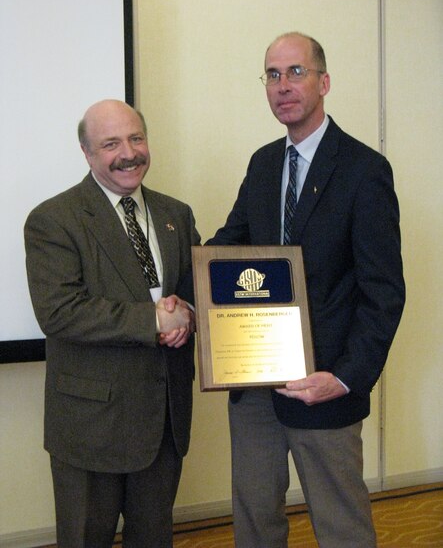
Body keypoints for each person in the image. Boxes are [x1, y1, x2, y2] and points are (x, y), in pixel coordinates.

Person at [207, 32, 405, 547]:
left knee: (342, 529)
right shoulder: (263, 163)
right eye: (272, 75)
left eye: (296, 72)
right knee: (254, 524)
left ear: (324, 82)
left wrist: (343, 379)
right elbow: (229, 248)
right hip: (255, 389)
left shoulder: (365, 171)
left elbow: (384, 293)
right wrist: (174, 292)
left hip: (324, 388)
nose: (283, 86)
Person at [24, 99, 201, 547]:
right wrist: (156, 321)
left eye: (136, 138)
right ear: (86, 153)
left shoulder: (175, 214)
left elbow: (196, 291)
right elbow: (59, 311)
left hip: (163, 420)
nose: (129, 153)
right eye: (111, 144)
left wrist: (190, 315)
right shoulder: (54, 220)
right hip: (90, 426)